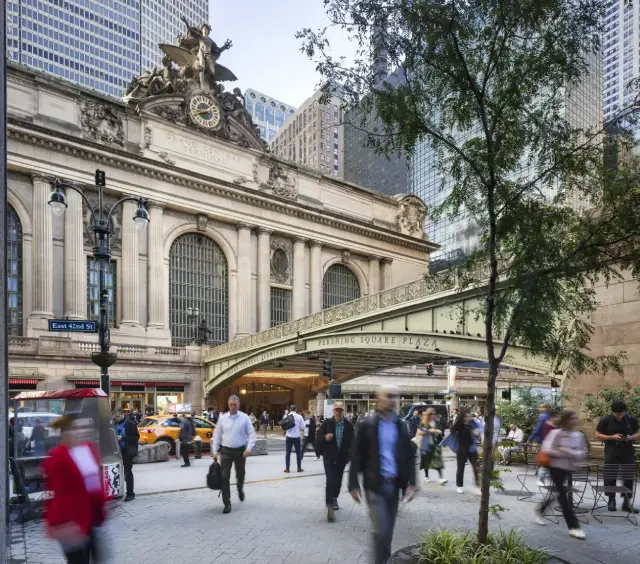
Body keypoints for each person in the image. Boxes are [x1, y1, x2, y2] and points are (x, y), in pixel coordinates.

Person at [349, 385, 416, 564]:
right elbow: (356, 455)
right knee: (381, 530)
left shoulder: (401, 426)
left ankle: (384, 559)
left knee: (388, 531)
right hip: (375, 485)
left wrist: (412, 482)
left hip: (395, 486)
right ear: (379, 399)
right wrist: (353, 483)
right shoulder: (367, 425)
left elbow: (409, 455)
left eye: (395, 396)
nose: (392, 399)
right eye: (388, 396)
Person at [42, 416, 106, 563]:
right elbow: (54, 491)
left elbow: (95, 485)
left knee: (95, 557)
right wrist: (57, 522)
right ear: (66, 433)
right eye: (76, 429)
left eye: (85, 428)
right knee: (77, 560)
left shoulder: (88, 449)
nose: (82, 432)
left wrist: (102, 506)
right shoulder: (57, 456)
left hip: (90, 517)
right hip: (68, 521)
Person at [534, 410, 587, 539]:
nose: (574, 421)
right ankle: (574, 527)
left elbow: (582, 452)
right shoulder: (555, 433)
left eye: (575, 418)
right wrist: (567, 453)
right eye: (571, 418)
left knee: (558, 493)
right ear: (564, 420)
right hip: (556, 468)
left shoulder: (579, 435)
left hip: (570, 468)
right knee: (563, 496)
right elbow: (546, 449)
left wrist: (565, 451)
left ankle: (541, 509)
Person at [211, 395, 256, 514]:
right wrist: (214, 451)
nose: (233, 407)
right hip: (226, 452)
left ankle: (240, 488)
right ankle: (227, 503)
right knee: (225, 477)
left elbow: (252, 434)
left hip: (241, 451)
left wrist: (249, 448)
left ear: (239, 405)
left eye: (235, 405)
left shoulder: (244, 418)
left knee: (240, 474)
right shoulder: (222, 418)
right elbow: (217, 436)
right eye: (231, 404)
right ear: (228, 404)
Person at [595, 400, 640, 513]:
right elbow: (597, 435)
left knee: (628, 476)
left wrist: (630, 438)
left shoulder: (631, 419)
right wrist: (612, 437)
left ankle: (626, 502)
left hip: (628, 451)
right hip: (612, 450)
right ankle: (611, 500)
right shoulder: (606, 420)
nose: (619, 416)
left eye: (621, 414)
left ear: (625, 411)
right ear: (613, 412)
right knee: (610, 475)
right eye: (616, 414)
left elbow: (638, 433)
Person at [316, 402, 355, 522]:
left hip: (342, 458)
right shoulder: (327, 423)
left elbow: (353, 442)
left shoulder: (348, 425)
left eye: (340, 410)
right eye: (336, 410)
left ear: (343, 411)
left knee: (338, 481)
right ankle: (329, 507)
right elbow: (318, 435)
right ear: (333, 411)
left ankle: (334, 498)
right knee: (330, 480)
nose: (338, 412)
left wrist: (350, 456)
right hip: (329, 456)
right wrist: (325, 437)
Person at [447, 408, 481, 495]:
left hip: (472, 448)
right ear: (462, 417)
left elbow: (480, 428)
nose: (468, 418)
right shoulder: (459, 426)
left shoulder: (472, 424)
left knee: (476, 467)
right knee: (460, 468)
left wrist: (476, 432)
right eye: (466, 416)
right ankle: (459, 486)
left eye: (469, 416)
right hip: (462, 449)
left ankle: (478, 486)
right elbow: (452, 431)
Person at [113, 408, 138, 502]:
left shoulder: (130, 424)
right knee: (117, 472)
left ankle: (130, 493)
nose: (116, 418)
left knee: (127, 472)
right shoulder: (113, 424)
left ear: (123, 414)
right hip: (116, 451)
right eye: (115, 417)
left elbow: (135, 438)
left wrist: (123, 438)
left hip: (127, 451)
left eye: (118, 416)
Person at [418, 409, 447, 485]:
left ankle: (440, 478)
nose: (433, 415)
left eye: (434, 413)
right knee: (426, 460)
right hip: (426, 444)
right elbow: (420, 432)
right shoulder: (424, 422)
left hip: (435, 444)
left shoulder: (437, 422)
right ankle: (426, 476)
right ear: (428, 414)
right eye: (431, 414)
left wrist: (438, 431)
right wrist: (430, 431)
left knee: (438, 460)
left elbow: (441, 431)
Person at [284, 405, 306, 473]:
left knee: (288, 453)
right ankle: (299, 468)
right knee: (298, 453)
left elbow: (283, 426)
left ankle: (287, 469)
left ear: (290, 409)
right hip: (296, 437)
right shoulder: (299, 417)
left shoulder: (286, 416)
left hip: (288, 437)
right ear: (296, 409)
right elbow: (303, 426)